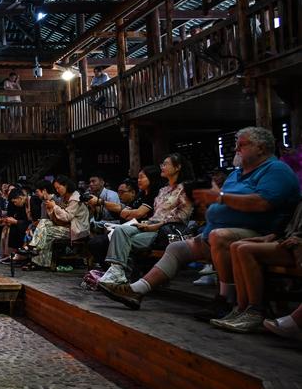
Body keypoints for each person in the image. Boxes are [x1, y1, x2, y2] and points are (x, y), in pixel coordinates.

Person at [100, 127, 300, 313]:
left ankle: (225, 300)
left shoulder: (275, 170)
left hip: (257, 233)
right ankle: (137, 290)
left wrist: (219, 198)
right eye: (236, 144)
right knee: (176, 249)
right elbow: (221, 201)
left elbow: (262, 203)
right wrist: (211, 206)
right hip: (214, 234)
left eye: (242, 144)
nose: (236, 148)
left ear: (261, 148)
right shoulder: (237, 174)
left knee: (218, 236)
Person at [98, 155, 194, 284]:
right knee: (120, 230)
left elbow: (181, 216)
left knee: (123, 240)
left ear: (177, 167)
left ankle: (125, 274)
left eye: (165, 164)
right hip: (151, 227)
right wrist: (148, 223)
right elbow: (156, 214)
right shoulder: (163, 190)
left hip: (166, 231)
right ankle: (117, 271)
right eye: (162, 164)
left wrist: (155, 226)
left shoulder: (185, 188)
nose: (162, 167)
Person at [210, 202, 302, 332]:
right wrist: (274, 235)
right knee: (236, 246)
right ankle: (241, 309)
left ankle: (255, 311)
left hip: (297, 244)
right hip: (289, 238)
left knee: (246, 250)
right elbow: (291, 218)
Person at [26, 175, 90, 270]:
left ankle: (36, 253)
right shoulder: (64, 198)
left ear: (66, 186)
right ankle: (39, 257)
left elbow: (67, 217)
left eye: (58, 187)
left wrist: (54, 206)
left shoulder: (76, 199)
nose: (57, 190)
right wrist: (51, 208)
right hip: (67, 226)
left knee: (46, 230)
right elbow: (55, 218)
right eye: (55, 188)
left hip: (77, 230)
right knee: (44, 223)